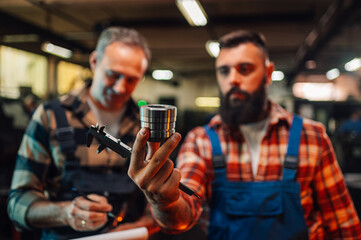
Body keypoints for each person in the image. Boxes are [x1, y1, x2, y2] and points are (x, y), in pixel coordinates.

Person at [128, 30, 361, 239]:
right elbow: (183, 214)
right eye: (224, 71)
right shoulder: (201, 141)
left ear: (268, 73)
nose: (233, 79)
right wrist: (164, 201)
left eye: (245, 69)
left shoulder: (312, 137)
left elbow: (344, 225)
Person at [7, 26, 158, 239]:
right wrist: (65, 213)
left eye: (132, 79)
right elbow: (17, 204)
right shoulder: (50, 116)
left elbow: (162, 203)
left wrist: (141, 227)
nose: (119, 88)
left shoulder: (147, 125)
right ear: (95, 61)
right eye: (112, 75)